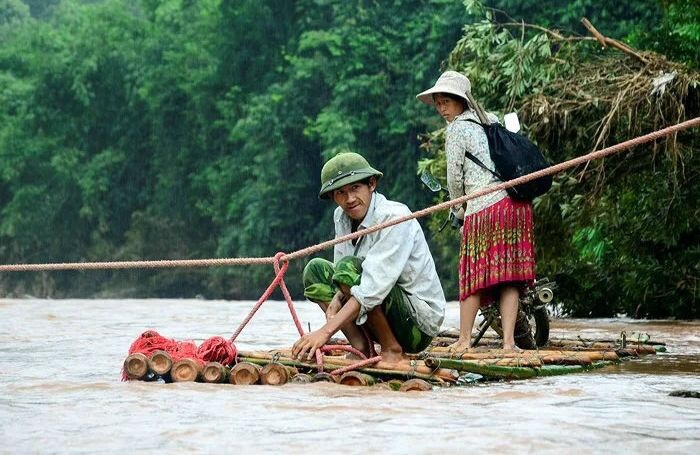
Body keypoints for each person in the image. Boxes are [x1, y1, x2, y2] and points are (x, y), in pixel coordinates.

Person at [416, 70, 536, 351]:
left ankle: (464, 341)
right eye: (438, 103)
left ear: (461, 101)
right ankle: (509, 345)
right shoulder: (490, 120)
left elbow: (454, 179)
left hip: (486, 208)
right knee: (510, 276)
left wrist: (459, 207)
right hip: (516, 206)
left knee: (473, 277)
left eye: (446, 101)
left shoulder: (457, 129)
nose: (442, 109)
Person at [291, 152, 446, 364]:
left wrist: (324, 332)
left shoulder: (394, 217)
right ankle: (361, 346)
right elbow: (340, 273)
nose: (350, 199)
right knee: (315, 269)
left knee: (350, 269)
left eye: (355, 188)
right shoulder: (341, 216)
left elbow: (372, 286)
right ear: (333, 197)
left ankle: (392, 349)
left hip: (416, 325)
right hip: (371, 307)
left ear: (371, 184)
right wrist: (335, 301)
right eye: (341, 193)